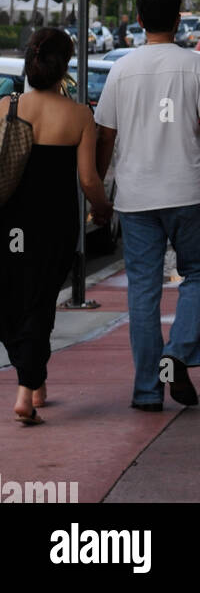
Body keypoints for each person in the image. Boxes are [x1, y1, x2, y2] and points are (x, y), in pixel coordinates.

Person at [94, 0, 200, 412]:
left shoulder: (121, 71)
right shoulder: (195, 66)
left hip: (135, 196)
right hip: (187, 191)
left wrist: (100, 191)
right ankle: (176, 353)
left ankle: (147, 391)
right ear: (178, 20)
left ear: (139, 21)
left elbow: (104, 136)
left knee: (142, 291)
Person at [0, 28, 111, 424]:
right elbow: (88, 179)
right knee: (41, 302)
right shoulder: (79, 115)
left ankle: (34, 381)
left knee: (14, 300)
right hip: (55, 225)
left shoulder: (6, 107)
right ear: (63, 69)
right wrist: (102, 210)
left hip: (10, 225)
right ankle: (26, 392)